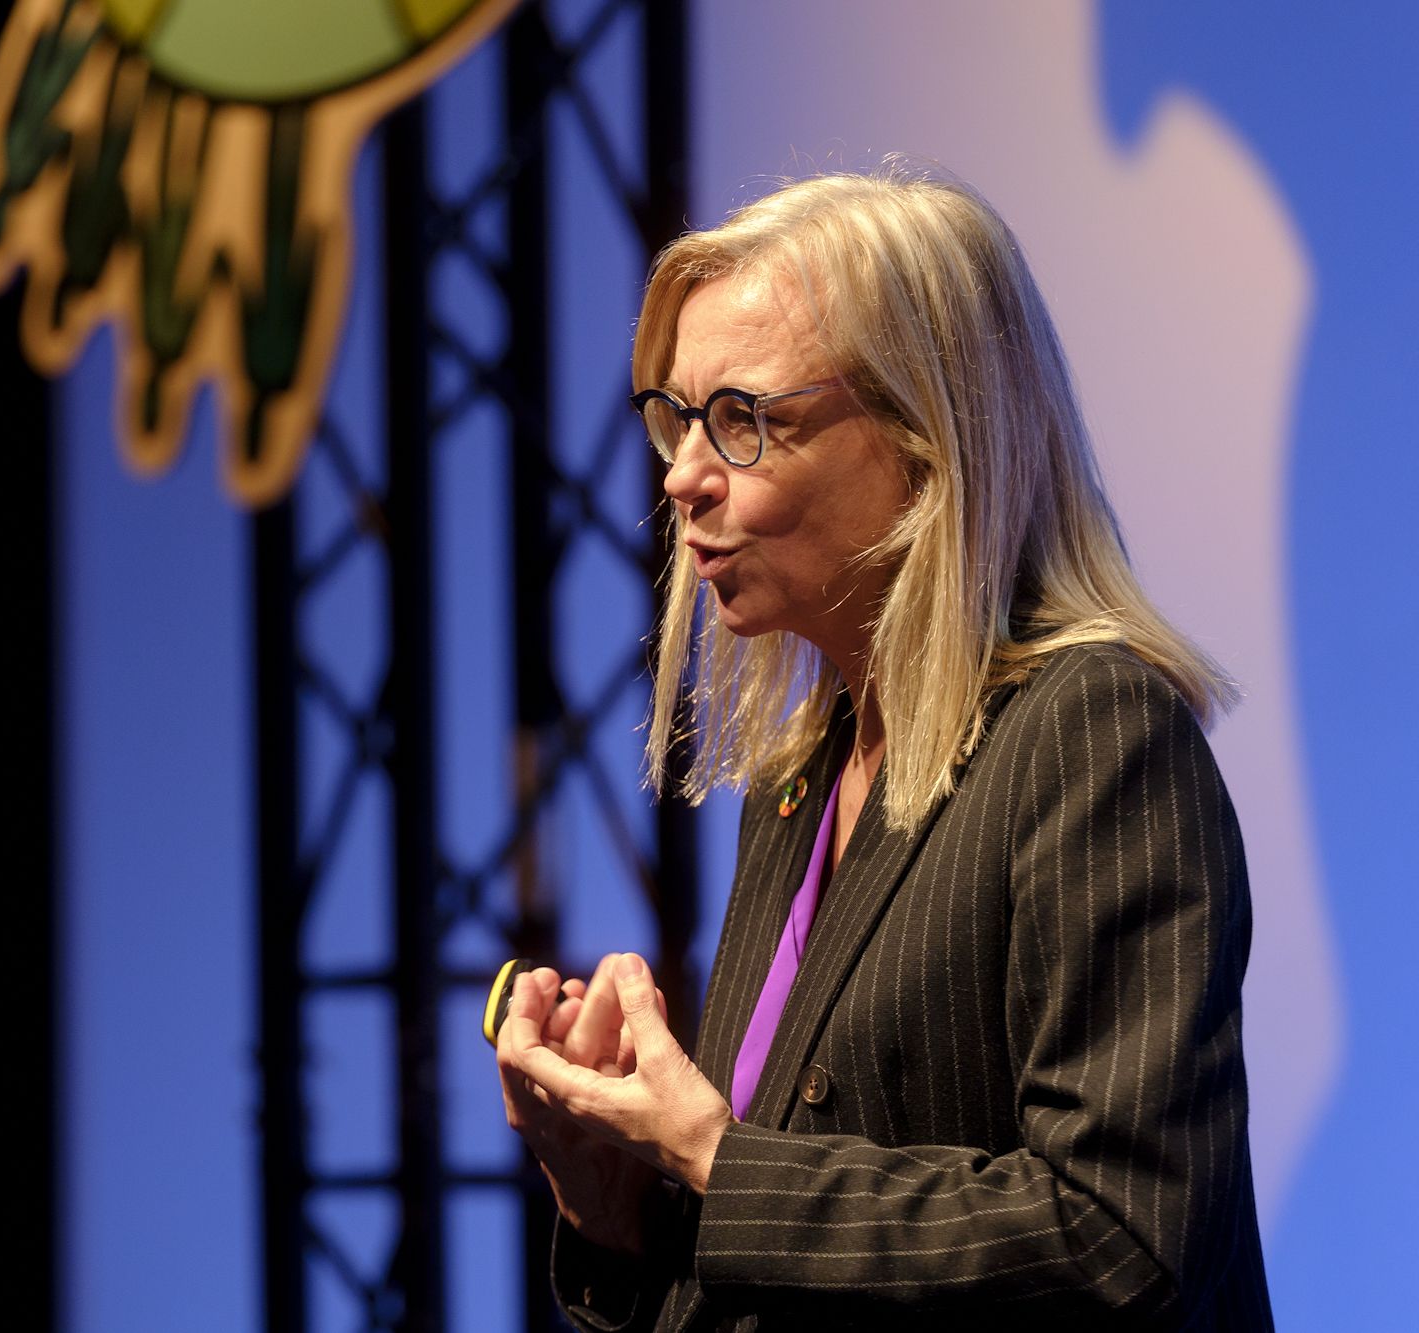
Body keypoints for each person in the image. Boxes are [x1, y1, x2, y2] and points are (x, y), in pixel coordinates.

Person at [493, 168, 1273, 1329]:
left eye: (743, 421)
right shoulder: (797, 780)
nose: (680, 477)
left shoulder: (1093, 735)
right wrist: (619, 1199)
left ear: (926, 435)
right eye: (675, 418)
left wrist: (713, 1154)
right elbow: (788, 1260)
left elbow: (1122, 1238)